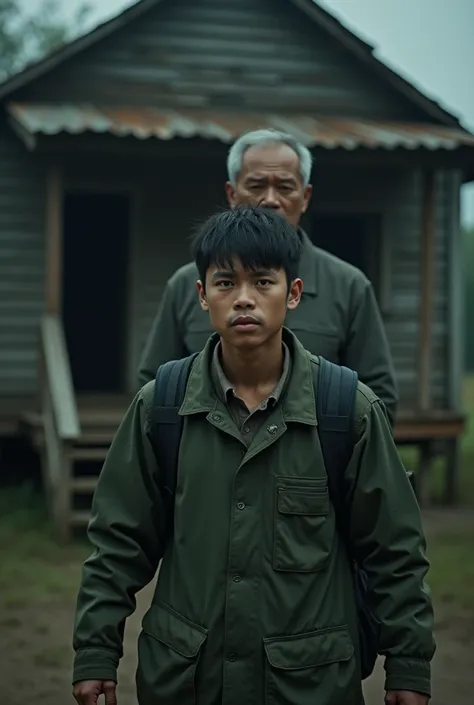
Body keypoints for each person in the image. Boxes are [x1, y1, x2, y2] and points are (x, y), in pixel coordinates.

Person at [72, 206, 434, 705]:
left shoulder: (344, 409)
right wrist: (95, 653)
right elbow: (117, 542)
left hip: (308, 686)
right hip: (186, 682)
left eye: (263, 282)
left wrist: (409, 668)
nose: (244, 299)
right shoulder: (163, 406)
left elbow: (394, 551)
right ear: (201, 296)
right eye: (225, 283)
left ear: (294, 293)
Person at [137, 128, 398, 426]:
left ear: (305, 196)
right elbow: (154, 385)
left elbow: (378, 398)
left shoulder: (349, 285)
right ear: (232, 194)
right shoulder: (186, 284)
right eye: (257, 186)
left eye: (285, 187)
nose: (271, 200)